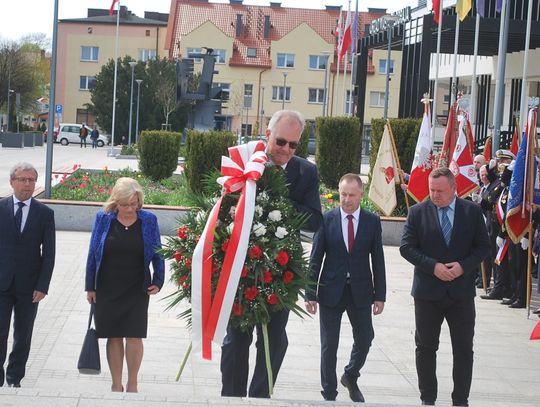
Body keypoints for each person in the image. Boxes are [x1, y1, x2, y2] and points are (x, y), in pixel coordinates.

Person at [220, 110, 323, 398]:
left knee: (274, 340)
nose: (286, 150)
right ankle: (232, 397)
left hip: (282, 270)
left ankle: (259, 397)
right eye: (281, 142)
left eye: (294, 145)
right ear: (267, 134)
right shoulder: (245, 161)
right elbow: (223, 204)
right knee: (237, 338)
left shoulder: (306, 171)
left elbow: (315, 219)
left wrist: (275, 208)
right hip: (241, 266)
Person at [400, 167, 489, 407]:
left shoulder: (471, 211)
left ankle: (460, 400)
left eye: (440, 191)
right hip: (428, 293)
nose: (435, 195)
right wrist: (433, 266)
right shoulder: (418, 212)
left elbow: (483, 247)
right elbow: (406, 247)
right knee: (426, 347)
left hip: (461, 294)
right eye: (431, 190)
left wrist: (463, 266)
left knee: (463, 349)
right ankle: (428, 398)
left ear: (454, 189)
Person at [306, 173, 386, 402]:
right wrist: (310, 293)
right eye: (343, 194)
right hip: (330, 290)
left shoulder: (372, 221)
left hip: (360, 291)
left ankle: (350, 375)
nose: (347, 199)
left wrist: (379, 295)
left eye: (351, 195)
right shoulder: (327, 219)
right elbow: (315, 259)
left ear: (361, 194)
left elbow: (378, 260)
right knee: (328, 345)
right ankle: (329, 392)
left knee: (365, 338)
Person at [85, 177, 164, 393]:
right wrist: (90, 286)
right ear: (115, 202)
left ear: (139, 201)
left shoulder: (149, 220)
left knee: (135, 334)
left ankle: (133, 383)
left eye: (133, 204)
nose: (129, 209)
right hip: (107, 287)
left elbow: (158, 251)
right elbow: (93, 253)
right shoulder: (103, 218)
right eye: (124, 204)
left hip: (137, 286)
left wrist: (158, 279)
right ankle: (116, 383)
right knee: (113, 334)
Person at [0, 162, 56, 387]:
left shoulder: (44, 213)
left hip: (29, 287)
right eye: (23, 179)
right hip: (1, 284)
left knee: (23, 335)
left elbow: (49, 253)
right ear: (12, 182)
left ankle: (15, 377)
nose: (27, 184)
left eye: (31, 180)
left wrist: (42, 285)